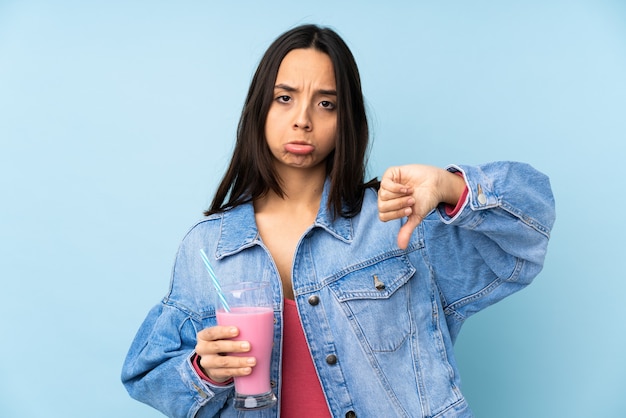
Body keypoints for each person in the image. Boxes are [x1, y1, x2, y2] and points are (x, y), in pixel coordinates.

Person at [122, 24, 555, 418]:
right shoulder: (208, 249)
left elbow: (526, 234)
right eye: (284, 98)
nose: (303, 120)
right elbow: (147, 373)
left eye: (325, 103)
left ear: (345, 118)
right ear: (260, 108)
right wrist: (205, 371)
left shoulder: (397, 224)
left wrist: (450, 187)